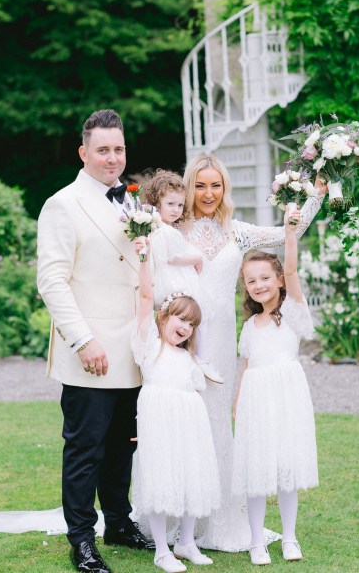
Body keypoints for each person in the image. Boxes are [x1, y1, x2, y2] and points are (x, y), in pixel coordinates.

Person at [174, 153, 327, 551]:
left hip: (224, 337)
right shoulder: (172, 227)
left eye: (216, 185)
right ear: (190, 187)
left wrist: (316, 195)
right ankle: (180, 519)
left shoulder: (237, 232)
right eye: (201, 185)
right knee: (184, 418)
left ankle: (222, 518)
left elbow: (289, 232)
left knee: (219, 422)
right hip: (183, 335)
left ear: (225, 188)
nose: (208, 193)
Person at [36, 109, 154, 573]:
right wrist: (83, 340)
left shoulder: (131, 201)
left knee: (125, 444)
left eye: (119, 149)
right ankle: (81, 540)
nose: (112, 158)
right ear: (84, 152)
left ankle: (120, 524)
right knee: (86, 449)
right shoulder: (62, 204)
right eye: (103, 150)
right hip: (93, 353)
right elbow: (52, 281)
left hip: (134, 350)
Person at [232, 207, 318, 566]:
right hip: (255, 399)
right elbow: (247, 363)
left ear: (279, 280)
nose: (259, 285)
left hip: (286, 397)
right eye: (252, 281)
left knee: (286, 469)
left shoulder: (294, 312)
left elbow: (294, 268)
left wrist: (289, 233)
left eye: (265, 277)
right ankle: (255, 541)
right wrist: (237, 402)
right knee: (256, 471)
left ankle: (290, 537)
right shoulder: (251, 324)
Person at [132, 236, 220, 573]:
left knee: (191, 478)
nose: (184, 327)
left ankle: (186, 541)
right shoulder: (150, 345)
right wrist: (144, 258)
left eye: (191, 324)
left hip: (190, 423)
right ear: (164, 315)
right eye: (180, 318)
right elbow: (143, 297)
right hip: (159, 421)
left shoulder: (189, 358)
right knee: (161, 479)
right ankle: (160, 549)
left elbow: (197, 391)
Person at [145, 169, 223, 384]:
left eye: (180, 205)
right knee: (201, 316)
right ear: (156, 202)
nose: (176, 209)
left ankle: (195, 359)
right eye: (170, 204)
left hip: (173, 279)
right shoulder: (165, 231)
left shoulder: (160, 228)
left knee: (194, 320)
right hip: (175, 281)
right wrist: (196, 258)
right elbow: (171, 257)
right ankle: (201, 359)